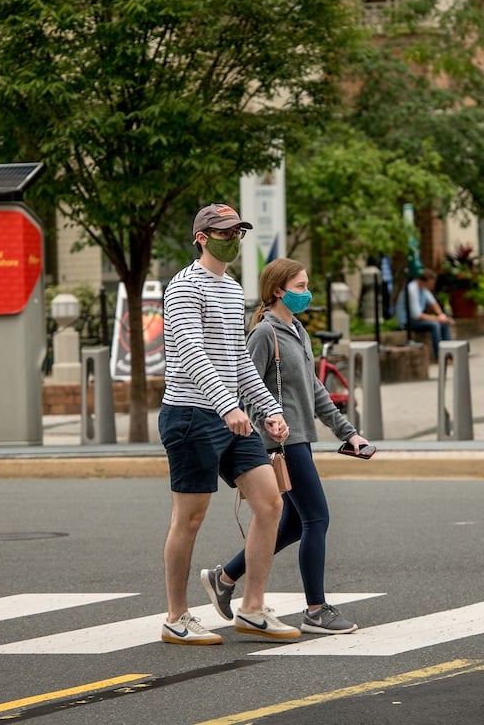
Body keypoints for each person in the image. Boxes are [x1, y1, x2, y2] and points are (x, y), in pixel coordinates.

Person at [201, 258, 372, 635]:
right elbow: (245, 388)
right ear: (278, 290)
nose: (306, 293)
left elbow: (315, 390)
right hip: (278, 443)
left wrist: (349, 433)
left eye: (306, 285)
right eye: (299, 287)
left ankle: (225, 576)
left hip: (299, 439)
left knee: (294, 525)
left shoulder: (297, 330)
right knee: (317, 518)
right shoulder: (265, 334)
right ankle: (315, 609)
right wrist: (266, 425)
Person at [159, 203, 298, 645]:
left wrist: (267, 408)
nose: (232, 238)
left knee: (270, 502)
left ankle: (252, 608)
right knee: (191, 517)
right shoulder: (183, 288)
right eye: (223, 231)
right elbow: (191, 352)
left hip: (230, 414)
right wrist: (226, 406)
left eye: (238, 231)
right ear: (201, 237)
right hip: (191, 415)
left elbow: (237, 359)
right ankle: (176, 616)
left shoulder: (231, 287)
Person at [396, 268, 454, 358]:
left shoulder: (424, 289)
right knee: (435, 325)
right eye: (430, 284)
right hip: (407, 321)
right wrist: (437, 319)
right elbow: (417, 315)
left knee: (444, 323)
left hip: (416, 320)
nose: (432, 286)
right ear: (422, 281)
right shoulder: (412, 289)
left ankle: (449, 353)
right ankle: (440, 355)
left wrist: (442, 316)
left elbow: (433, 303)